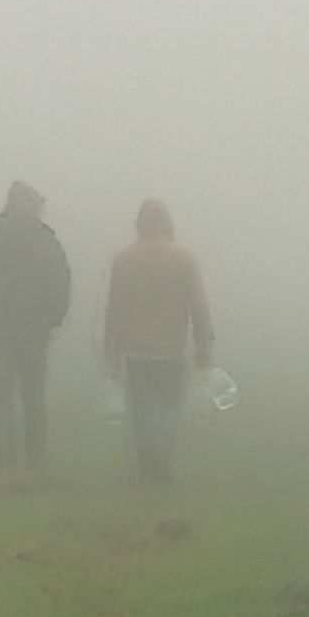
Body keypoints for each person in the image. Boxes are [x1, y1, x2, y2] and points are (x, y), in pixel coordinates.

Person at [105, 199, 214, 484]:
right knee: (169, 407)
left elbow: (114, 307)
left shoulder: (124, 259)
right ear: (168, 222)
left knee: (140, 409)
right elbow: (197, 305)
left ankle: (145, 463)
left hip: (135, 349)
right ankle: (162, 458)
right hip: (170, 348)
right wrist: (203, 342)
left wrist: (111, 347)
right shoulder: (184, 259)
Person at [0, 181, 70, 468]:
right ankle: (34, 455)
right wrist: (53, 318)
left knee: (0, 391)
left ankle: (1, 453)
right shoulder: (45, 239)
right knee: (32, 392)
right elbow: (61, 281)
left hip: (0, 327)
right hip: (33, 328)